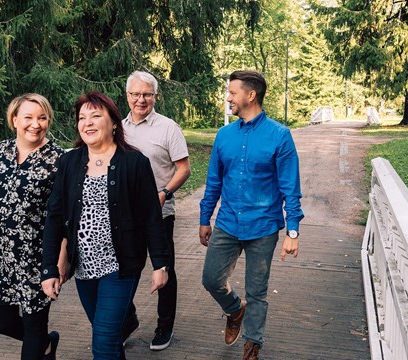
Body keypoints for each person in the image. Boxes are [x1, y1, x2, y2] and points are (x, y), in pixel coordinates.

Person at [41, 91, 170, 360]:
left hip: (120, 267)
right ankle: (126, 320)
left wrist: (161, 265)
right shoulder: (69, 162)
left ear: (113, 122)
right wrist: (50, 267)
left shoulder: (135, 163)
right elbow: (55, 216)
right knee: (109, 338)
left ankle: (123, 321)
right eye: (81, 118)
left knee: (102, 343)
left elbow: (151, 218)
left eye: (95, 116)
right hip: (84, 269)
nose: (87, 122)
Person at [199, 70, 304, 360]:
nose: (228, 98)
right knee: (210, 279)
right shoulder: (224, 135)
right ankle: (235, 309)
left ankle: (252, 343)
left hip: (264, 226)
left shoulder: (280, 136)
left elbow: (290, 188)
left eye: (232, 92)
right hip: (228, 224)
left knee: (257, 291)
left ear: (250, 95)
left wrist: (292, 232)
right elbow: (214, 182)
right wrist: (204, 218)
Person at [0, 93, 64, 360]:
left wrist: (60, 260)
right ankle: (46, 342)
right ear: (14, 119)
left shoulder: (58, 160)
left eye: (42, 118)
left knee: (33, 327)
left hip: (36, 257)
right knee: (1, 322)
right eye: (28, 117)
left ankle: (39, 341)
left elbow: (65, 216)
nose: (35, 124)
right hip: (0, 256)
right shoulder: (1, 151)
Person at [121, 71, 191, 351]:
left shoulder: (168, 128)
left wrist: (164, 193)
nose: (141, 99)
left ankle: (165, 326)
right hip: (125, 214)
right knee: (124, 270)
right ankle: (127, 321)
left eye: (147, 94)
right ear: (127, 96)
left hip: (160, 213)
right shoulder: (118, 127)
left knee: (164, 269)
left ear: (155, 96)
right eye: (136, 94)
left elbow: (184, 169)